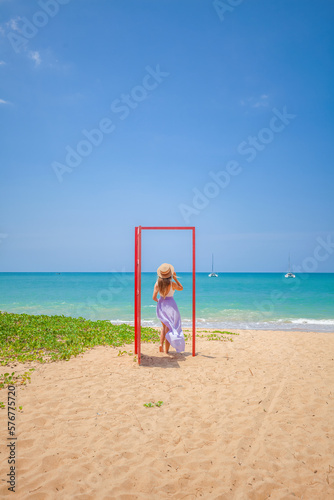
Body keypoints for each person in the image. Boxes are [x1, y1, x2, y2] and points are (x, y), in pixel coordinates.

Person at [152, 263, 185, 354]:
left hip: (162, 305)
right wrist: (175, 278)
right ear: (169, 274)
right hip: (171, 306)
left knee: (164, 327)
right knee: (170, 328)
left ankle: (160, 345)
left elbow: (154, 298)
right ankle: (166, 350)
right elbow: (181, 288)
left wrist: (160, 301)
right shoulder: (172, 284)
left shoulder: (157, 284)